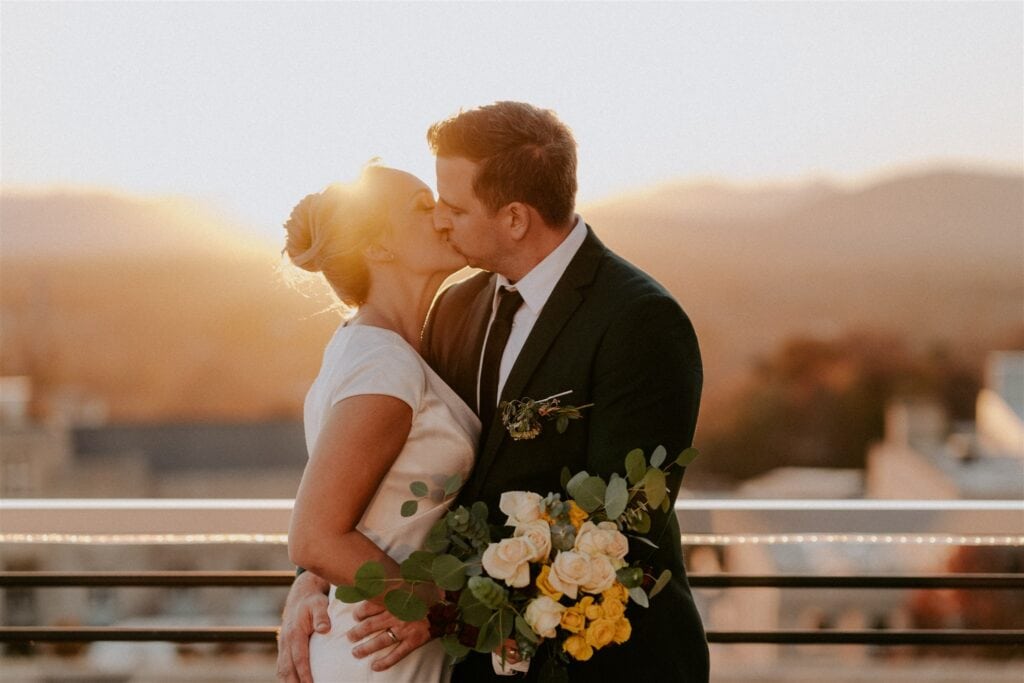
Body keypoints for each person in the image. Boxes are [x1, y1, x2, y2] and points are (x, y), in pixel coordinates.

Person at [278, 102, 709, 682]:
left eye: (452, 207)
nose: (442, 220)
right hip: (459, 659)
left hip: (601, 659)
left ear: (513, 218)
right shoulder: (455, 309)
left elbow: (625, 524)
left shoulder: (640, 321)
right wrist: (320, 575)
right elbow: (394, 475)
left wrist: (447, 606)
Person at [282, 164, 479, 682]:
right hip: (378, 654)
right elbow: (315, 538)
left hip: (381, 644)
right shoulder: (382, 363)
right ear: (379, 249)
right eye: (420, 206)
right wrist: (428, 603)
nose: (442, 215)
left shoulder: (374, 349)